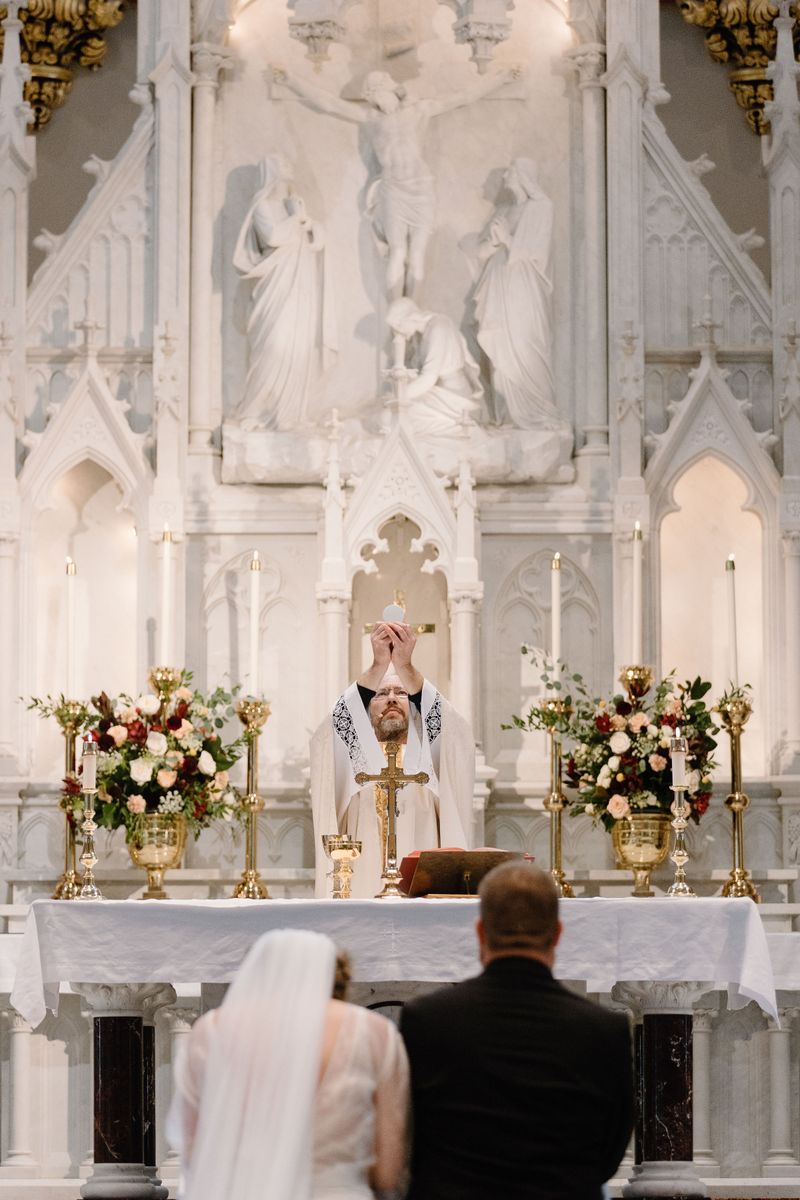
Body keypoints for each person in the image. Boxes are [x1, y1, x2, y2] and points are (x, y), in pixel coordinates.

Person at [400, 862, 635, 1200]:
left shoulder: (427, 1019)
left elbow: (412, 1139)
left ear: (481, 932)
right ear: (556, 934)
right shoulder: (603, 1029)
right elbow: (609, 1153)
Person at [168, 928, 409, 1200]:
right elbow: (388, 1170)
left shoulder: (211, 1029)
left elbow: (193, 1150)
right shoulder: (375, 1032)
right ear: (336, 978)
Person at [272, 65, 515, 299]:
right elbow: (329, 103)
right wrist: (291, 80)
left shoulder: (419, 111)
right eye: (371, 95)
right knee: (397, 251)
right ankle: (398, 317)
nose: (374, 99)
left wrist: (500, 79)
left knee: (417, 253)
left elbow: (463, 97)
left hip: (420, 188)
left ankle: (412, 316)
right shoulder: (371, 118)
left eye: (377, 92)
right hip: (393, 189)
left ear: (391, 89)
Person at [310, 620, 475, 897]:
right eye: (381, 693)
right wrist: (377, 666)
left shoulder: (428, 760)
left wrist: (405, 666)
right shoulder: (354, 760)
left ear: (413, 707)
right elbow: (328, 734)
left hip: (420, 890)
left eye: (401, 692)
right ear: (366, 708)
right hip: (360, 886)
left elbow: (456, 732)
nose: (391, 699)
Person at [233, 154, 336, 430]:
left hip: (300, 286)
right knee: (274, 346)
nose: (290, 166)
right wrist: (297, 218)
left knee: (298, 348)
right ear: (273, 170)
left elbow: (315, 243)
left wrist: (310, 224)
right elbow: (274, 237)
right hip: (274, 289)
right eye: (284, 163)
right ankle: (252, 412)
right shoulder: (262, 206)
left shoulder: (294, 205)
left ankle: (289, 415)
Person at [474, 157, 561, 429]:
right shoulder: (505, 211)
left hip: (525, 288)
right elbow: (483, 252)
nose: (504, 177)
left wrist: (507, 241)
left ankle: (537, 414)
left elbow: (537, 253)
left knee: (524, 346)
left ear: (524, 175)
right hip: (499, 282)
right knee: (500, 352)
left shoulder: (542, 207)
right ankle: (508, 417)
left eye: (510, 171)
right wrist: (493, 244)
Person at [386, 297, 483, 435]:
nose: (398, 332)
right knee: (389, 414)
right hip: (440, 393)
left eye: (398, 325)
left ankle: (453, 425)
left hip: (453, 397)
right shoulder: (427, 330)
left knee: (388, 417)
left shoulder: (438, 327)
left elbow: (428, 378)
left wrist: (399, 396)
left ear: (409, 317)